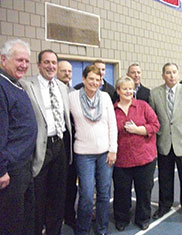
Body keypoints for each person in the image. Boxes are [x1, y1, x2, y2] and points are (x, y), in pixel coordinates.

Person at [20, 49, 72, 234]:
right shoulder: (27, 85)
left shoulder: (62, 87)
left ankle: (54, 231)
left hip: (60, 145)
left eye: (54, 63)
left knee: (58, 197)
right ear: (39, 65)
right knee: (38, 197)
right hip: (40, 147)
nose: (51, 66)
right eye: (47, 62)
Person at [150, 63, 182, 223]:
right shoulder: (155, 93)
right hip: (164, 142)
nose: (171, 75)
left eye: (174, 72)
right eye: (168, 73)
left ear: (178, 74)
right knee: (165, 177)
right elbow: (153, 118)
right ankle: (165, 205)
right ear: (163, 75)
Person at [69, 65, 117, 234]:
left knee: (104, 194)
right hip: (83, 154)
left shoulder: (105, 98)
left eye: (98, 80)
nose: (94, 83)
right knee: (87, 195)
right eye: (91, 79)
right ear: (83, 79)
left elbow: (113, 125)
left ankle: (102, 228)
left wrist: (113, 149)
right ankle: (82, 230)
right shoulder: (72, 97)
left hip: (105, 153)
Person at [0, 39, 37, 235]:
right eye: (19, 60)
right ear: (3, 59)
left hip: (24, 165)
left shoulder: (16, 84)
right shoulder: (1, 86)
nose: (23, 64)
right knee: (11, 221)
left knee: (25, 216)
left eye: (26, 61)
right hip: (11, 169)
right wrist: (1, 170)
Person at [113, 76, 160, 231]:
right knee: (121, 192)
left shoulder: (143, 106)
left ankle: (143, 218)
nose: (128, 91)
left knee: (144, 191)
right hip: (121, 160)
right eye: (124, 88)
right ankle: (121, 218)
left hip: (144, 158)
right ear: (118, 91)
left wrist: (139, 130)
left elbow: (155, 125)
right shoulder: (112, 109)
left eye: (130, 88)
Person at [57, 60, 77, 229]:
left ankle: (69, 215)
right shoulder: (51, 91)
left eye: (69, 71)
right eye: (63, 70)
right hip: (55, 144)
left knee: (71, 184)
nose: (67, 74)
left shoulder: (74, 92)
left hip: (72, 146)